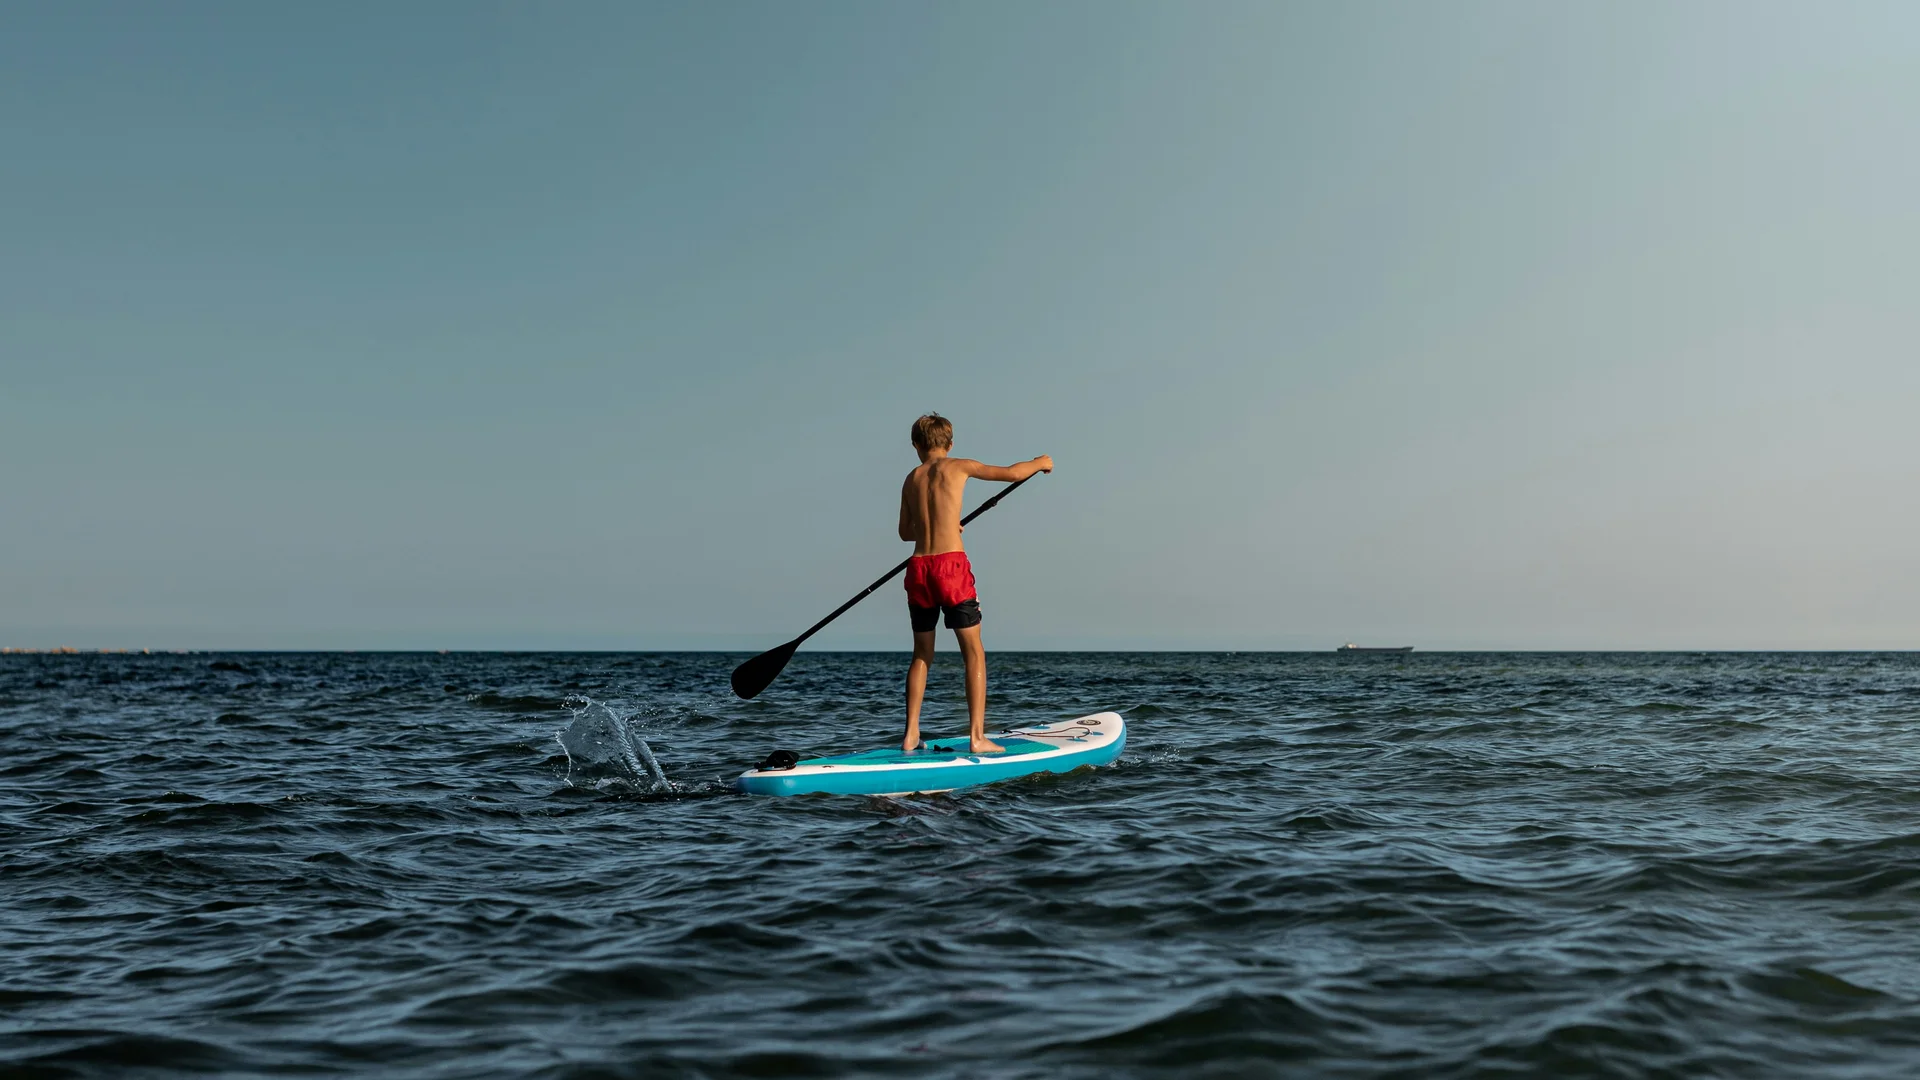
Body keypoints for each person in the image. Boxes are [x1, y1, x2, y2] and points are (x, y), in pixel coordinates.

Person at [896, 413, 1052, 753]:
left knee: (921, 654)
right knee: (973, 653)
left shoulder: (911, 479)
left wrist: (940, 525)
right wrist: (1040, 463)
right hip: (950, 568)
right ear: (950, 444)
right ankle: (978, 737)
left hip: (919, 568)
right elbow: (1011, 473)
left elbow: (905, 532)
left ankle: (910, 735)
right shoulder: (959, 465)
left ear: (916, 446)